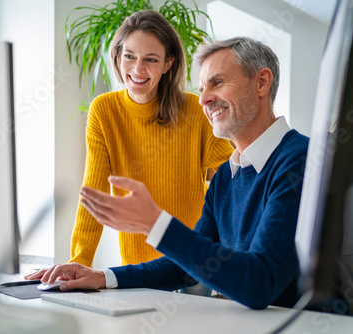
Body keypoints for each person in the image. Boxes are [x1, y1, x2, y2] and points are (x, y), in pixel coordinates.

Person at [27, 37, 309, 309]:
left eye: (218, 83)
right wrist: (102, 277)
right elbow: (185, 269)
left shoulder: (300, 159)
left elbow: (260, 283)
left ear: (261, 82)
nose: (204, 100)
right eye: (201, 89)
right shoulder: (226, 176)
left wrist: (155, 224)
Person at [66, 10, 233, 267]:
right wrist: (79, 260)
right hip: (136, 266)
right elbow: (94, 192)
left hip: (191, 261)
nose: (138, 69)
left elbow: (234, 177)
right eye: (129, 56)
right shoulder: (104, 110)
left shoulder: (194, 110)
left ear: (168, 64)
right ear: (118, 56)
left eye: (151, 60)